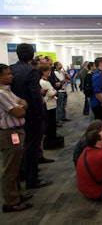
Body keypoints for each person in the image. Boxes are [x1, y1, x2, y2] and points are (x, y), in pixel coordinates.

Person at [10, 43, 53, 189]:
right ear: (32, 54)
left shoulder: (12, 69)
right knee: (32, 146)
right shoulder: (31, 71)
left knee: (21, 145)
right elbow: (35, 95)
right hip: (32, 114)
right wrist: (41, 113)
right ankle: (32, 179)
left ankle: (23, 173)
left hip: (15, 113)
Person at [0, 64, 33, 213]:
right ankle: (11, 201)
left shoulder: (7, 91)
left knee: (16, 165)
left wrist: (20, 105)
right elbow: (19, 111)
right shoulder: (1, 94)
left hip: (16, 132)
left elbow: (23, 102)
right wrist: (20, 106)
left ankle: (17, 194)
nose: (11, 76)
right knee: (10, 168)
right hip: (8, 133)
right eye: (7, 74)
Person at [38, 64, 64, 150]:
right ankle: (49, 143)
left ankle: (51, 142)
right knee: (50, 126)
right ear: (43, 72)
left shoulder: (46, 81)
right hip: (49, 106)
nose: (50, 72)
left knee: (51, 126)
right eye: (48, 71)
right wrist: (55, 91)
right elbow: (52, 93)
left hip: (51, 104)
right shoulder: (44, 82)